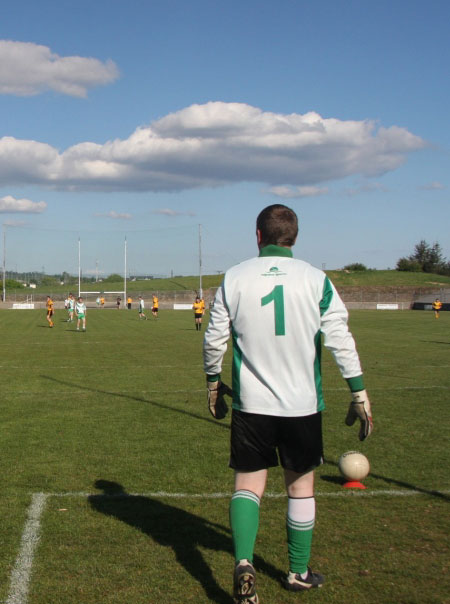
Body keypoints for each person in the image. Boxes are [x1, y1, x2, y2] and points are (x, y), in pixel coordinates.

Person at [203, 204, 373, 604]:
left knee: (248, 484)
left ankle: (244, 563)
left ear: (258, 236)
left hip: (252, 405)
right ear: (293, 237)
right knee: (300, 486)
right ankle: (297, 572)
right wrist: (358, 391)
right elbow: (339, 339)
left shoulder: (234, 277)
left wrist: (213, 382)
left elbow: (214, 339)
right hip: (301, 405)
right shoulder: (316, 279)